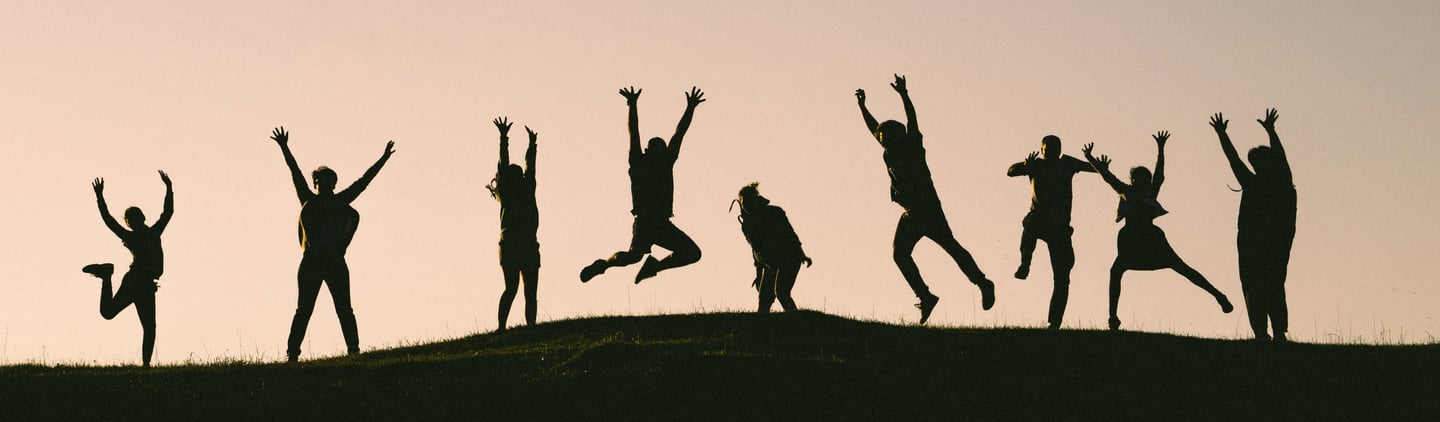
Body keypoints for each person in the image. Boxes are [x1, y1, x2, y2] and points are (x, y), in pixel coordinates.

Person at [855, 74, 995, 324]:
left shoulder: (912, 145)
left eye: (884, 136)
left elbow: (912, 120)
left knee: (950, 247)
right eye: (880, 137)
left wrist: (904, 94)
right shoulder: (888, 151)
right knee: (900, 254)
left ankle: (983, 282)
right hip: (911, 211)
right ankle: (926, 296)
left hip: (927, 208)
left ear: (896, 135)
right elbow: (873, 128)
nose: (880, 139)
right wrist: (863, 107)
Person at [267, 126, 395, 362]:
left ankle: (350, 350)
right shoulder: (316, 200)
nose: (323, 185)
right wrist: (285, 148)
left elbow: (364, 181)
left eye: (327, 181)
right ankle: (294, 354)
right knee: (308, 310)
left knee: (339, 309)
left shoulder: (331, 201)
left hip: (330, 261)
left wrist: (383, 159)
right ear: (317, 182)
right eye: (321, 181)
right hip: (316, 261)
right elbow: (296, 173)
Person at [1082, 133, 1233, 331]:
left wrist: (1161, 149)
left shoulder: (1150, 192)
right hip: (1132, 237)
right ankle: (1113, 317)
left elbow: (1159, 173)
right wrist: (1091, 158)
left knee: (1181, 267)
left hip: (1150, 237)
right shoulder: (1128, 191)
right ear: (1134, 180)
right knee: (1116, 271)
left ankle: (1218, 296)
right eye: (1140, 178)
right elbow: (1108, 177)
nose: (1144, 180)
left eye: (1146, 178)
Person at [580, 87, 705, 284]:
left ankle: (609, 265)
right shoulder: (652, 163)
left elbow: (639, 131)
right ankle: (622, 265)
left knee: (634, 256)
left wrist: (633, 105)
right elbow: (676, 134)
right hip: (652, 222)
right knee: (687, 253)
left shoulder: (643, 162)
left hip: (654, 223)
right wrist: (690, 108)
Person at [1210, 109, 1296, 341]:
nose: (1256, 166)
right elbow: (1235, 160)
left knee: (1262, 284)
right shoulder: (1278, 184)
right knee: (1267, 284)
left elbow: (1236, 159)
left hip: (1265, 242)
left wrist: (1223, 134)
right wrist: (1270, 131)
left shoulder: (1273, 183)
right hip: (1262, 242)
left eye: (1258, 162)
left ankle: (1270, 331)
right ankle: (1268, 332)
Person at [82, 171, 174, 368]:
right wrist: (168, 188)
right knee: (148, 327)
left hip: (140, 284)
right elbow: (167, 213)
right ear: (137, 220)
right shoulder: (152, 233)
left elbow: (110, 221)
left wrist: (100, 197)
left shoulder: (139, 235)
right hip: (138, 283)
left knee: (133, 321)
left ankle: (107, 276)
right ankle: (146, 365)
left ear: (136, 220)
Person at [1006, 135, 1097, 329]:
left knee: (1063, 276)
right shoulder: (1036, 165)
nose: (1052, 154)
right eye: (1048, 151)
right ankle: (1025, 264)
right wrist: (1024, 164)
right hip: (1039, 218)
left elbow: (1095, 169)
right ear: (1041, 151)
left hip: (1060, 226)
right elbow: (1010, 172)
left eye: (1055, 151)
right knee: (1030, 223)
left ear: (1060, 150)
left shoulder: (1067, 163)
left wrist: (1092, 158)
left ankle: (1054, 321)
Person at [487, 117, 540, 330]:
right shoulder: (513, 190)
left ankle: (524, 327)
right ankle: (506, 327)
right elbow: (514, 164)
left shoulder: (523, 189)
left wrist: (531, 145)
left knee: (522, 290)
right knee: (519, 290)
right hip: (517, 241)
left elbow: (529, 167)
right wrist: (505, 139)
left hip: (519, 240)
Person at [733, 183, 813, 313]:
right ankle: (763, 331)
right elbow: (756, 251)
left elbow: (790, 235)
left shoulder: (774, 212)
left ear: (756, 200)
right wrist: (759, 276)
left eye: (749, 201)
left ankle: (797, 323)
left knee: (781, 292)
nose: (746, 205)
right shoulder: (747, 225)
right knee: (764, 300)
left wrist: (801, 254)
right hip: (770, 264)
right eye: (744, 202)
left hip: (789, 257)